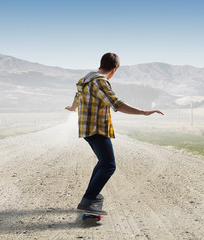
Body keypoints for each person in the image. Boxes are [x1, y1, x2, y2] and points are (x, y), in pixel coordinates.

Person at [65, 52, 164, 215]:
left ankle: (93, 195)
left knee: (102, 162)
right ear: (114, 69)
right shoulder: (100, 82)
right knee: (109, 165)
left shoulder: (85, 80)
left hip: (86, 128)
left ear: (100, 64)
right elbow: (116, 104)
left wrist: (73, 107)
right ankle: (87, 201)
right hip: (97, 128)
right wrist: (144, 112)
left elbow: (77, 96)